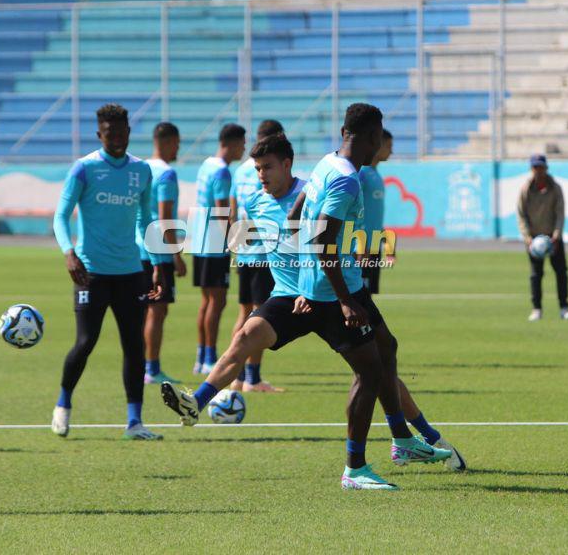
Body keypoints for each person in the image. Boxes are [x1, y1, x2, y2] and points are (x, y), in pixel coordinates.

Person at [160, 130, 462, 490]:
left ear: (287, 164)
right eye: (257, 169)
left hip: (325, 295)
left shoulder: (314, 191)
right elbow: (253, 242)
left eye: (268, 167)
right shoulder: (255, 202)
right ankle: (195, 403)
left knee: (378, 370)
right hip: (288, 297)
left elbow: (325, 245)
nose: (261, 175)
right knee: (244, 337)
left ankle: (422, 436)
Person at [52, 104, 164, 441]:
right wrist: (69, 253)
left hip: (130, 272)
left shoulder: (141, 170)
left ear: (128, 132)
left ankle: (135, 422)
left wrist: (156, 262)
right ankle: (63, 404)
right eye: (108, 133)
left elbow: (146, 219)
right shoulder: (84, 169)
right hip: (91, 273)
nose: (116, 138)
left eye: (121, 132)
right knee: (86, 342)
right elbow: (60, 216)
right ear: (99, 134)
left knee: (134, 346)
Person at [229, 119, 285, 393]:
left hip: (244, 250)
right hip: (264, 251)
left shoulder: (242, 170)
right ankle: (252, 378)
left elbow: (232, 207)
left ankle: (237, 375)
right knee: (260, 317)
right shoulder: (270, 169)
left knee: (244, 313)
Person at [192, 123, 246, 375]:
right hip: (214, 243)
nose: (243, 149)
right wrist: (233, 241)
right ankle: (210, 358)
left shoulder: (206, 165)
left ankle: (201, 356)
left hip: (200, 240)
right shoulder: (222, 172)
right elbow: (223, 211)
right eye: (242, 144)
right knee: (218, 301)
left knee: (207, 301)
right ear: (232, 143)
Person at [140, 122, 186, 385]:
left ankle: (141, 366)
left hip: (138, 248)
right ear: (168, 142)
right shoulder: (167, 174)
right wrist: (176, 254)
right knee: (158, 311)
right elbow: (165, 216)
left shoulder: (142, 168)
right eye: (177, 144)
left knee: (145, 311)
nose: (178, 149)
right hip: (158, 250)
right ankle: (152, 369)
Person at [516, 153, 568, 322]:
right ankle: (537, 309)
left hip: (552, 238)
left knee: (561, 272)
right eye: (535, 167)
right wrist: (527, 237)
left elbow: (560, 213)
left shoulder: (555, 188)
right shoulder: (525, 189)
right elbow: (521, 215)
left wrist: (557, 234)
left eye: (541, 167)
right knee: (536, 274)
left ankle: (564, 308)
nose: (538, 170)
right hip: (533, 239)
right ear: (531, 169)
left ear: (546, 168)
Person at [358, 129, 393, 295]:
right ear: (377, 145)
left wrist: (386, 242)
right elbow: (352, 209)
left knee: (368, 296)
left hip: (374, 245)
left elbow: (373, 214)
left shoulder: (375, 174)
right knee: (358, 297)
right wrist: (359, 245)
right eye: (388, 146)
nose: (391, 151)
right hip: (362, 247)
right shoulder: (362, 173)